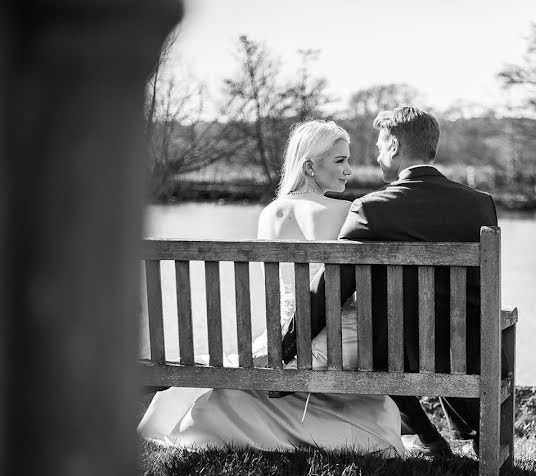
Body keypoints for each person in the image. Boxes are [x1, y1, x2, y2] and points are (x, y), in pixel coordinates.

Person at [138, 121, 405, 457]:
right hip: (333, 338)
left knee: (250, 360)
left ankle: (181, 380)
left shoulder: (269, 213)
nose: (349, 170)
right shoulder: (342, 211)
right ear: (309, 166)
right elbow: (336, 288)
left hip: (283, 332)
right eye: (339, 161)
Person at [282, 107, 502, 455]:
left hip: (397, 355)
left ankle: (430, 440)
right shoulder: (480, 205)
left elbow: (331, 287)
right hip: (470, 348)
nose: (378, 155)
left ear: (395, 146)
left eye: (381, 146)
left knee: (385, 337)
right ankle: (472, 438)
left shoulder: (372, 209)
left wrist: (290, 344)